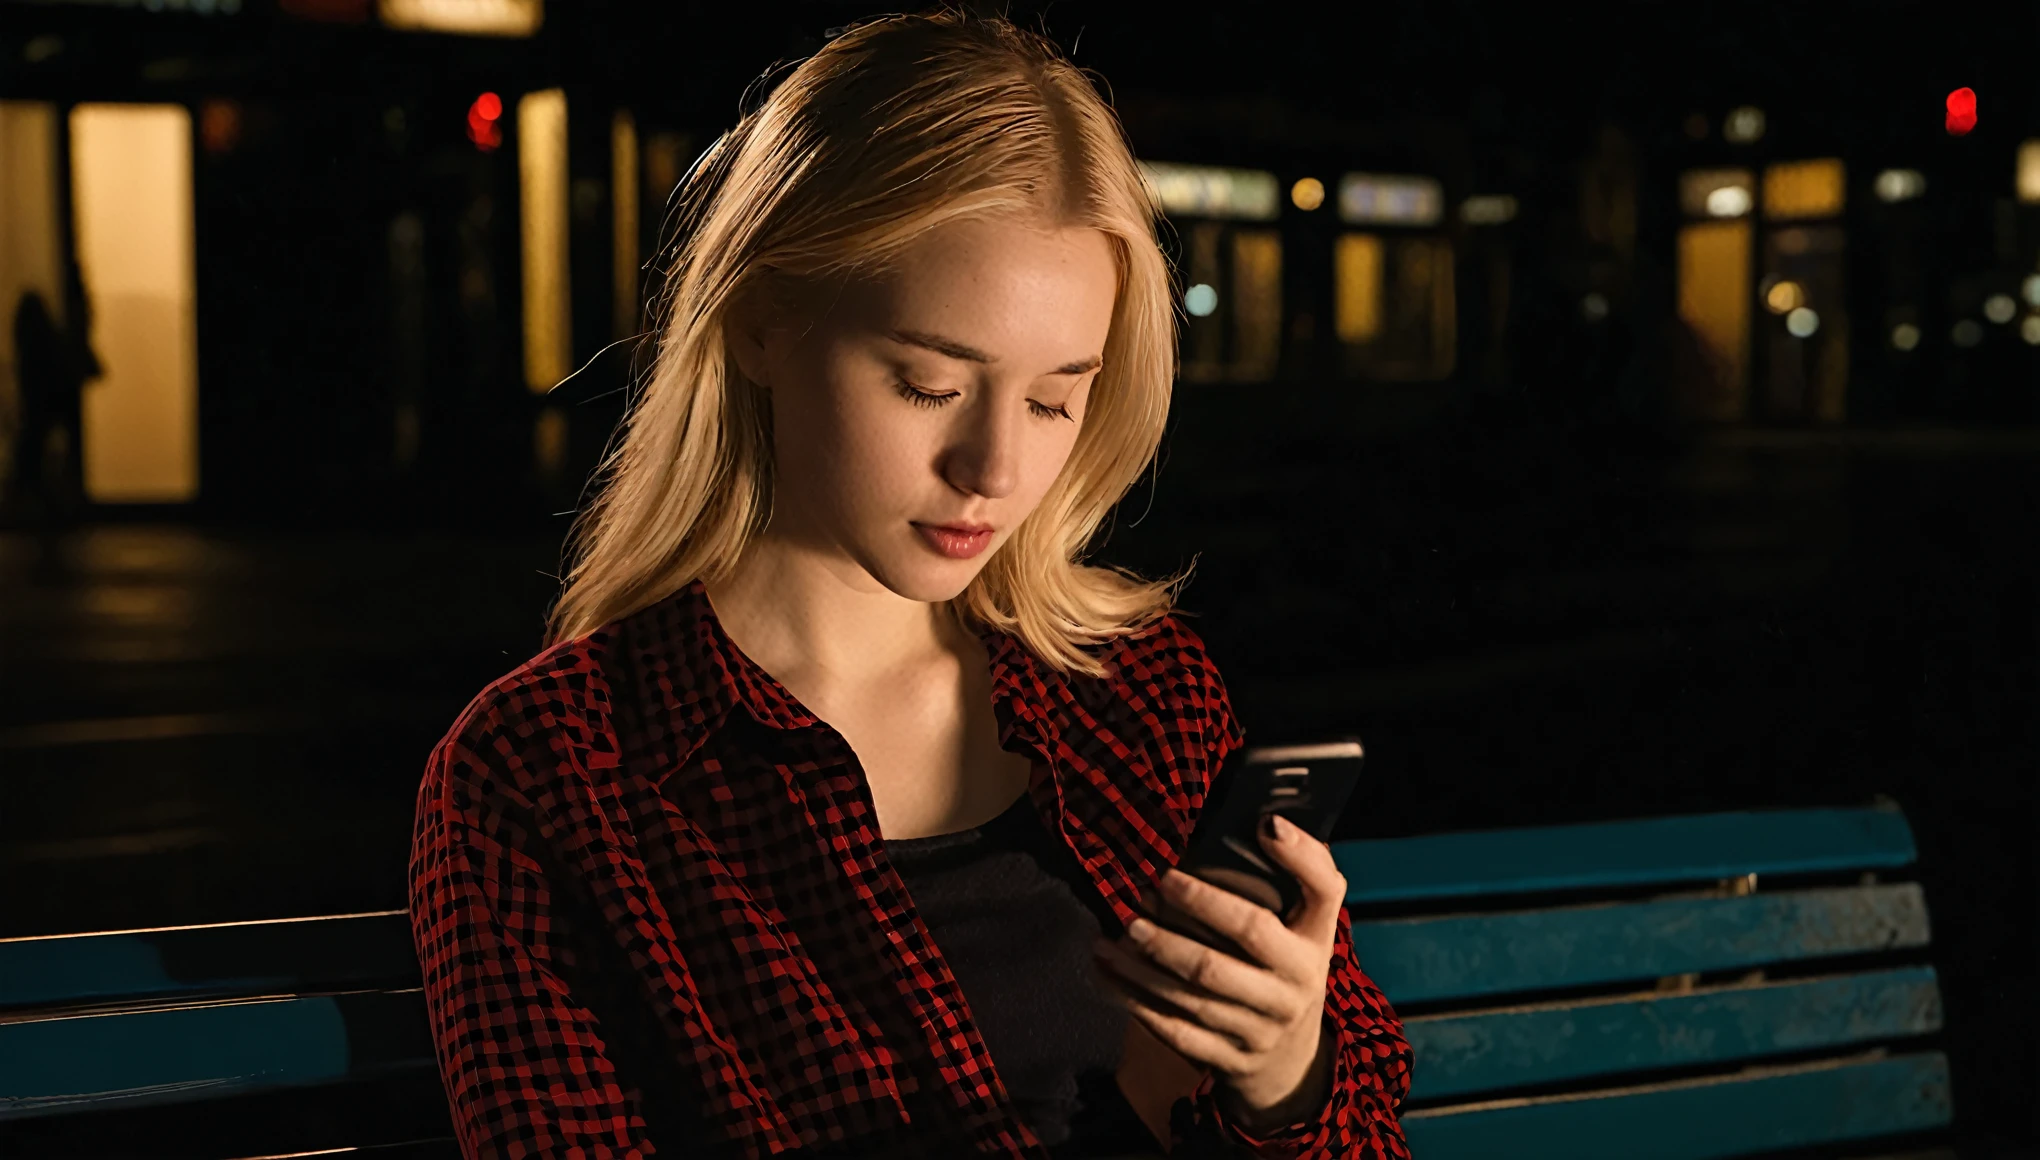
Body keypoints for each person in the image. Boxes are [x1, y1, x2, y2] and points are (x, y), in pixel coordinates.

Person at [408, 13, 1411, 1158]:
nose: (996, 470)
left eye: (1054, 399)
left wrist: (1283, 1081)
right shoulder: (553, 773)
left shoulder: (1143, 696)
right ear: (758, 322)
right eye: (930, 383)